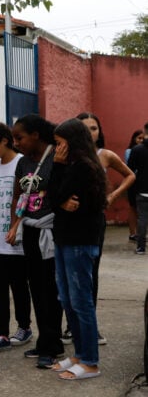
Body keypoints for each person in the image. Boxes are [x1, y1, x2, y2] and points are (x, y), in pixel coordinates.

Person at [60, 113, 135, 346]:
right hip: (69, 223)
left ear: (99, 131)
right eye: (85, 128)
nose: (90, 132)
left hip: (94, 222)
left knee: (89, 272)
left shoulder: (105, 156)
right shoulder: (67, 157)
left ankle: (90, 325)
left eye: (94, 128)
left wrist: (112, 196)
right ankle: (71, 326)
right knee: (67, 277)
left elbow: (130, 175)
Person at [47, 118, 107, 380]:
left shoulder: (83, 166)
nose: (56, 149)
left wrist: (58, 172)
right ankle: (79, 355)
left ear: (71, 142)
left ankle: (90, 362)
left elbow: (57, 194)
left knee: (81, 302)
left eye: (59, 144)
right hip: (64, 239)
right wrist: (60, 202)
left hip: (79, 242)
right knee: (67, 299)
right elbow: (55, 198)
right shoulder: (71, 165)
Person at [6, 114, 64, 369]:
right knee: (36, 288)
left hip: (52, 231)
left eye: (20, 137)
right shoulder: (22, 163)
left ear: (36, 135)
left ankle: (52, 346)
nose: (16, 143)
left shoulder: (57, 157)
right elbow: (18, 195)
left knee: (50, 289)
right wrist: (14, 225)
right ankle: (46, 341)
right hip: (30, 231)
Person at [0, 122, 33, 354]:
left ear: (5, 140)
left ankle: (24, 328)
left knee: (19, 286)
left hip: (16, 239)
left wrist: (16, 226)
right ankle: (1, 334)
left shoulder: (23, 164)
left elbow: (27, 200)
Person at [127, 125, 148, 255]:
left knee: (142, 218)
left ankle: (141, 247)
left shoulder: (137, 149)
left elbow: (129, 170)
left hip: (142, 188)